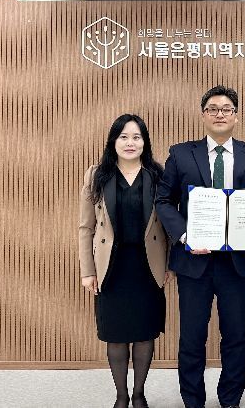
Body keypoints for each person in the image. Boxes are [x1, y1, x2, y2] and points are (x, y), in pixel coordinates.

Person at [155, 85, 245, 408]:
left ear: (236, 116)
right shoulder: (181, 153)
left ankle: (230, 399)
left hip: (237, 262)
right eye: (213, 109)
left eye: (226, 109)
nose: (220, 114)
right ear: (203, 115)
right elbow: (163, 201)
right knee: (192, 337)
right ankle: (193, 400)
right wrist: (185, 236)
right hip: (194, 261)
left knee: (235, 336)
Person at [78, 114, 171, 408]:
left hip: (147, 266)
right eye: (124, 137)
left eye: (136, 137)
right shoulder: (97, 175)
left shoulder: (157, 174)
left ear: (145, 142)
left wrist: (169, 265)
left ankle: (139, 394)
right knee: (116, 336)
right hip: (111, 267)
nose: (130, 143)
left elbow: (169, 224)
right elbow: (86, 227)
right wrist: (87, 271)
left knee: (144, 334)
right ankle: (121, 396)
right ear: (113, 141)